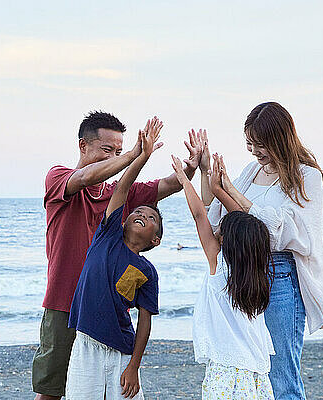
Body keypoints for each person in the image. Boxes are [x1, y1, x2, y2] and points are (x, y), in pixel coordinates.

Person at [32, 111, 204, 400]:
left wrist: (191, 168)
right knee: (51, 392)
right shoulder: (58, 178)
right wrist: (135, 155)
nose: (113, 156)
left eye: (118, 151)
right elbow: (86, 176)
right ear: (83, 146)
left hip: (109, 313)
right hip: (64, 304)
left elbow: (168, 185)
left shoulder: (120, 198)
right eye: (106, 150)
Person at [200, 102, 323, 399]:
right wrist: (206, 172)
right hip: (243, 274)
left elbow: (290, 234)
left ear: (280, 139)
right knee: (249, 369)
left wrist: (231, 190)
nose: (255, 152)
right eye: (249, 144)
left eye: (260, 144)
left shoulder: (307, 177)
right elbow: (215, 213)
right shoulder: (251, 171)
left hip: (280, 277)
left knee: (280, 373)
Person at [66, 117, 164, 400]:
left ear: (155, 240)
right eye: (138, 212)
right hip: (87, 344)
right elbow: (123, 188)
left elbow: (145, 321)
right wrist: (141, 156)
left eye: (151, 217)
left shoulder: (147, 271)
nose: (142, 215)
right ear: (123, 221)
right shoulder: (107, 237)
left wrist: (134, 365)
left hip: (123, 349)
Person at [171, 153, 275, 400]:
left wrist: (186, 181)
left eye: (221, 228)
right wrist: (217, 189)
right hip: (256, 371)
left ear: (228, 240)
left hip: (224, 368)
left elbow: (199, 216)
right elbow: (247, 224)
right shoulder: (256, 272)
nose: (216, 228)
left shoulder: (219, 266)